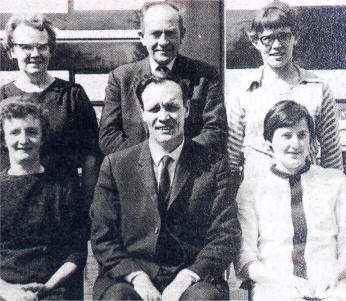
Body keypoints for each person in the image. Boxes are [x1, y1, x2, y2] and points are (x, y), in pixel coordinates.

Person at [90, 75, 241, 301]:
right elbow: (103, 237)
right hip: (131, 276)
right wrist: (136, 277)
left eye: (172, 107)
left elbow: (225, 234)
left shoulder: (214, 166)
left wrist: (188, 277)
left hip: (192, 277)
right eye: (154, 109)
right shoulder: (116, 165)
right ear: (142, 114)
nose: (163, 117)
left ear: (186, 109)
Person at [236, 100, 346, 301]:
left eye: (302, 135)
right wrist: (289, 281)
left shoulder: (335, 182)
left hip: (332, 283)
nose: (295, 144)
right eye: (286, 136)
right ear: (269, 141)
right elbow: (245, 259)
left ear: (311, 140)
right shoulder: (252, 187)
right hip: (275, 285)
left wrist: (335, 274)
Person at [226, 1, 343, 180]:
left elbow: (332, 157)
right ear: (255, 41)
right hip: (257, 193)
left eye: (284, 36)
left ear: (295, 38)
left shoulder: (318, 88)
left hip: (306, 190)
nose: (277, 45)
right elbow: (231, 158)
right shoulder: (242, 92)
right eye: (268, 38)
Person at [99, 1, 226, 156]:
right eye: (156, 34)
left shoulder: (205, 76)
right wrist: (150, 162)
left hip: (189, 172)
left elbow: (215, 131)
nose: (163, 42)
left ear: (182, 34)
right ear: (142, 37)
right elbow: (108, 137)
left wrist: (175, 160)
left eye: (170, 33)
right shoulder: (121, 78)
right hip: (136, 175)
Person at [0, 13, 101, 205]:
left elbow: (91, 157)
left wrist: (86, 205)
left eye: (42, 47)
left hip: (62, 202)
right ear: (12, 51)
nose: (35, 54)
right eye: (26, 47)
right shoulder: (2, 97)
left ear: (50, 50)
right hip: (12, 202)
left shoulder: (72, 96)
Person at [0, 99, 87, 300]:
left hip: (52, 289)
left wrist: (45, 289)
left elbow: (76, 251)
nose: (23, 140)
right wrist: (6, 290)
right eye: (15, 132)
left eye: (31, 132)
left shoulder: (63, 187)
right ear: (4, 139)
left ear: (42, 137)